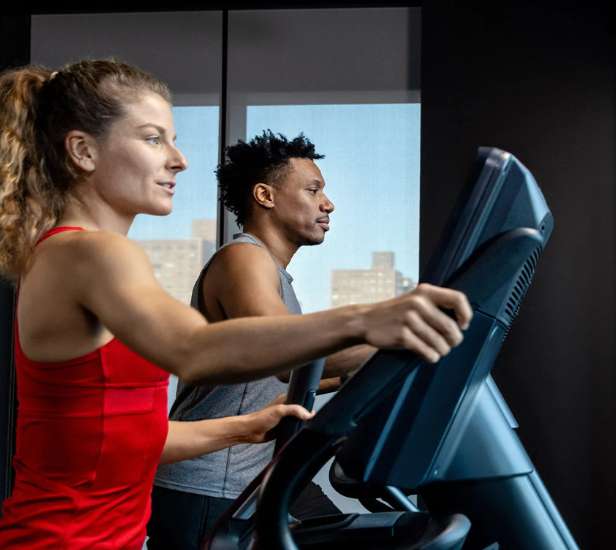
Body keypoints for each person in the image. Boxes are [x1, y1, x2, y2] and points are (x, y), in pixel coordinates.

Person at [0, 59, 470, 549]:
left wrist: (242, 428)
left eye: (173, 139)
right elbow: (193, 348)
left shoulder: (76, 254)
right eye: (153, 139)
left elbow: (125, 432)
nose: (179, 159)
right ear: (83, 151)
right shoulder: (89, 253)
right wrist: (365, 319)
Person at [148, 131, 373, 548]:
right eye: (313, 190)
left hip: (258, 476)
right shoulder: (243, 258)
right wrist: (389, 338)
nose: (328, 204)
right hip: (210, 484)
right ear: (265, 196)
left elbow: (272, 380)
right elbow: (284, 355)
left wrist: (353, 374)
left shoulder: (271, 273)